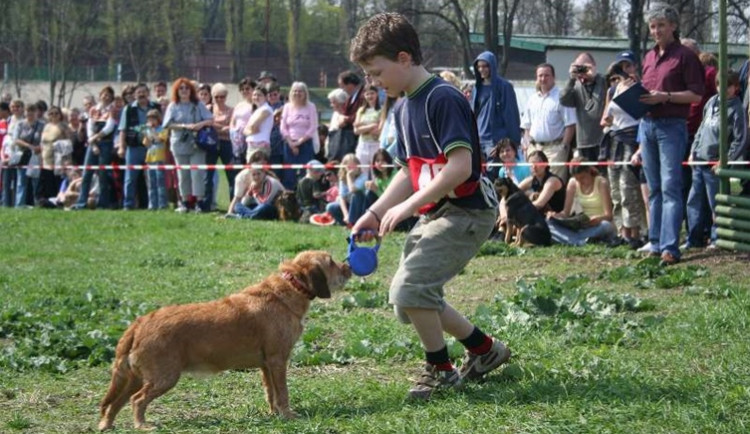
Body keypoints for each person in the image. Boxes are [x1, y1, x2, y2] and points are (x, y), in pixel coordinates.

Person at [349, 12, 508, 400]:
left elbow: (460, 167)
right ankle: (486, 350)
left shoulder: (443, 98)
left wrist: (407, 209)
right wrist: (374, 211)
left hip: (468, 212)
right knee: (411, 301)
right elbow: (409, 172)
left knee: (411, 290)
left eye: (376, 71)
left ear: (404, 58)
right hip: (438, 212)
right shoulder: (403, 108)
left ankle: (440, 371)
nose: (372, 82)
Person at [637, 3, 705, 266]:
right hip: (647, 125)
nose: (656, 31)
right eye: (653, 27)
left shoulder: (685, 56)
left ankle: (670, 247)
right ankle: (655, 243)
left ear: (673, 27)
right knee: (653, 189)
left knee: (670, 187)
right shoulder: (649, 57)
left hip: (671, 127)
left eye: (661, 26)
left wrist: (664, 97)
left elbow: (696, 94)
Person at [683, 71, 747, 250]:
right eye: (719, 85)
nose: (723, 89)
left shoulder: (737, 109)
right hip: (699, 161)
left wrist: (724, 160)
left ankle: (717, 238)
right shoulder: (711, 102)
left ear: (735, 87)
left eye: (727, 86)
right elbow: (701, 128)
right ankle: (693, 238)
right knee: (693, 201)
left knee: (716, 203)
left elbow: (740, 139)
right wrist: (693, 151)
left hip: (715, 165)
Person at [600, 52, 646, 249]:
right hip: (614, 140)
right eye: (621, 66)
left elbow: (645, 116)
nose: (625, 70)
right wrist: (607, 122)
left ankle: (635, 232)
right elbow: (604, 119)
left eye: (628, 66)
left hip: (631, 138)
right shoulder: (612, 90)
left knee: (628, 188)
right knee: (615, 190)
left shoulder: (639, 88)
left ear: (635, 67)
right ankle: (622, 231)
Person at [162, 78, 214, 213]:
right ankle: (185, 202)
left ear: (191, 90)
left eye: (187, 88)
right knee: (182, 174)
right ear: (176, 91)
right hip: (179, 144)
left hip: (197, 144)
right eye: (181, 88)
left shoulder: (198, 104)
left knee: (197, 174)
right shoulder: (173, 106)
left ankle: (199, 203)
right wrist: (183, 126)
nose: (184, 90)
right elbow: (166, 124)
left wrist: (199, 125)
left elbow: (210, 119)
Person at [521, 63, 577, 182]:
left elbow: (570, 125)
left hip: (555, 150)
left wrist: (563, 147)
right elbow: (526, 127)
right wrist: (528, 146)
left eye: (547, 75)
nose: (543, 78)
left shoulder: (562, 98)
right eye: (540, 75)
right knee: (534, 183)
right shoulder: (532, 99)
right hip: (534, 149)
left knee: (554, 183)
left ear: (553, 77)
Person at [546, 158, 617, 246]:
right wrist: (555, 216)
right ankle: (580, 241)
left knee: (605, 225)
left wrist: (598, 219)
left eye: (583, 177)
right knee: (548, 223)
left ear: (589, 172)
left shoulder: (601, 182)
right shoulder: (572, 183)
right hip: (583, 226)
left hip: (599, 224)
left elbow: (609, 216)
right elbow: (566, 212)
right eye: (577, 179)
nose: (580, 181)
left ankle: (574, 240)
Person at [470, 51, 521, 167]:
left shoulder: (505, 87)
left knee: (495, 178)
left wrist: (508, 144)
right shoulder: (476, 88)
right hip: (478, 141)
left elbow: (511, 116)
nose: (482, 69)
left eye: (485, 66)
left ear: (492, 66)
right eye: (479, 67)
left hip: (496, 143)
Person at [73, 88, 118, 210]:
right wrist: (93, 144)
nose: (106, 97)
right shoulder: (94, 109)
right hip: (93, 144)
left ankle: (103, 203)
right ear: (100, 96)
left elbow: (109, 127)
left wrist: (96, 138)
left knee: (103, 174)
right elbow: (90, 127)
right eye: (104, 94)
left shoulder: (112, 110)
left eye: (109, 95)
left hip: (106, 143)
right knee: (87, 174)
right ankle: (81, 202)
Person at [118, 83, 161, 210]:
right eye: (138, 92)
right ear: (135, 95)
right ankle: (128, 204)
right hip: (134, 147)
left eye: (144, 92)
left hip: (153, 147)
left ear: (148, 93)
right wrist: (121, 146)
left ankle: (154, 205)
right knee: (130, 178)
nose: (141, 94)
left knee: (153, 177)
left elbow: (162, 125)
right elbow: (122, 129)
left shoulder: (156, 107)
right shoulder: (128, 108)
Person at [560, 52, 607, 163]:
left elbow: (606, 95)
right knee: (587, 177)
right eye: (580, 67)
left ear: (594, 65)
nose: (583, 70)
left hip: (603, 141)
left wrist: (594, 76)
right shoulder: (576, 86)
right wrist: (571, 78)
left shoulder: (603, 81)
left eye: (586, 66)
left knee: (602, 178)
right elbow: (563, 100)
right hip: (584, 143)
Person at [280, 81, 318, 190]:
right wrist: (291, 143)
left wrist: (299, 142)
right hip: (289, 144)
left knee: (305, 173)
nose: (297, 93)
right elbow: (283, 127)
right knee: (289, 174)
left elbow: (313, 126)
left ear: (305, 93)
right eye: (295, 91)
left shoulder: (311, 107)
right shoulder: (287, 107)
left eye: (300, 91)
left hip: (305, 144)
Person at [11, 103, 45, 208]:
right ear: (25, 113)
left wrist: (39, 147)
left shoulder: (42, 125)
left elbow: (44, 139)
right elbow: (16, 139)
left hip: (36, 155)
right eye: (28, 113)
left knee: (36, 181)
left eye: (32, 113)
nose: (30, 115)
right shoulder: (20, 124)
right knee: (21, 181)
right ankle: (19, 205)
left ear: (36, 113)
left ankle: (37, 203)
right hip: (23, 155)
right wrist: (29, 146)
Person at [208, 83, 236, 207]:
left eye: (222, 96)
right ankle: (206, 204)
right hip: (211, 144)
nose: (219, 99)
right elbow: (207, 123)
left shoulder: (232, 110)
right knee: (207, 175)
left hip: (227, 144)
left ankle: (233, 205)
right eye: (216, 97)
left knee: (231, 175)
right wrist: (223, 127)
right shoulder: (208, 108)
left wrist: (215, 125)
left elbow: (233, 127)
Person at [37, 105, 70, 207]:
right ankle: (48, 202)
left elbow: (69, 143)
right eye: (51, 113)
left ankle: (59, 202)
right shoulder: (46, 126)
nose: (54, 115)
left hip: (58, 158)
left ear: (60, 115)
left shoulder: (64, 126)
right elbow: (42, 142)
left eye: (56, 113)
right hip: (46, 157)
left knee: (57, 181)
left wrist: (67, 160)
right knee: (47, 181)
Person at [326, 153, 368, 226]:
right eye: (349, 166)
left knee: (356, 195)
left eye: (353, 165)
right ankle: (347, 223)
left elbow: (352, 190)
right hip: (349, 204)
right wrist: (346, 214)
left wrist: (349, 176)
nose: (351, 168)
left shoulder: (363, 177)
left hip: (361, 206)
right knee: (330, 207)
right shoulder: (342, 178)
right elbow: (342, 197)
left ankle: (354, 222)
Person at [142, 109, 169, 210]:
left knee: (160, 182)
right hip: (150, 158)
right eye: (149, 119)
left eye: (153, 119)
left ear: (158, 119)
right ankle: (152, 204)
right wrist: (146, 134)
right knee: (151, 183)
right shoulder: (148, 131)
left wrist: (152, 131)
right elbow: (146, 144)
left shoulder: (163, 130)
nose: (151, 121)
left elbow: (159, 140)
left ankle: (162, 204)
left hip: (159, 158)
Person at [353, 85, 381, 177]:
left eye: (372, 93)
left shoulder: (381, 110)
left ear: (376, 94)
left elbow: (378, 129)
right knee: (361, 172)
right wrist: (371, 125)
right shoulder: (361, 110)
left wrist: (363, 127)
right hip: (363, 145)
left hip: (376, 144)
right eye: (367, 94)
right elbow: (356, 130)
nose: (370, 96)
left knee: (376, 173)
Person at [1, 100, 24, 207]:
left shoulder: (24, 121)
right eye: (13, 106)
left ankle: (16, 203)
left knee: (17, 180)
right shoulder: (8, 120)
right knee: (6, 180)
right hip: (7, 150)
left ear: (22, 108)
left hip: (19, 152)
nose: (15, 108)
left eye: (18, 106)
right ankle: (6, 203)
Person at [243, 86, 274, 161]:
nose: (256, 97)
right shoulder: (256, 111)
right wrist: (250, 130)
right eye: (254, 95)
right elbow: (245, 131)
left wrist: (250, 129)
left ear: (266, 97)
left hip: (261, 146)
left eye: (259, 95)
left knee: (258, 171)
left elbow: (253, 126)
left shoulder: (266, 109)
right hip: (251, 145)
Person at [228, 77, 256, 162]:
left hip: (250, 139)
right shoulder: (239, 105)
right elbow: (232, 122)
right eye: (242, 89)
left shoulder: (256, 105)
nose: (245, 91)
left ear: (253, 89)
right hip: (237, 140)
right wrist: (233, 133)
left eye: (247, 89)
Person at [325, 88, 351, 162]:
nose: (331, 105)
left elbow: (340, 125)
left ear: (341, 103)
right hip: (332, 150)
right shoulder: (335, 114)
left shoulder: (346, 115)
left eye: (333, 102)